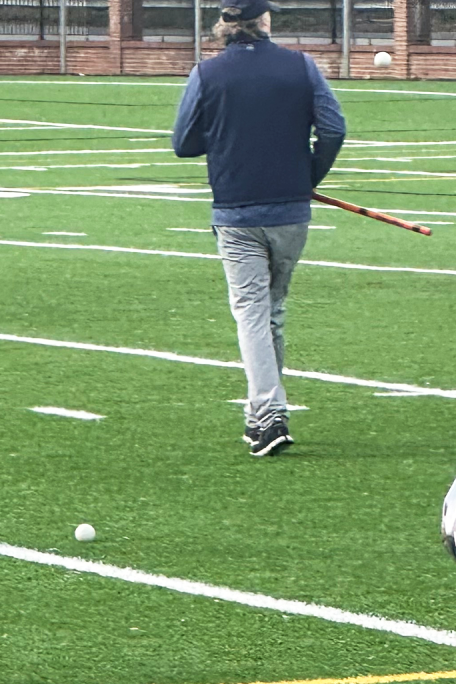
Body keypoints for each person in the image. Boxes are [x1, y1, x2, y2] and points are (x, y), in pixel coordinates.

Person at [172, 0, 346, 457]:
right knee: (271, 311)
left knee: (252, 312)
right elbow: (333, 129)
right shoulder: (301, 67)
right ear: (266, 21)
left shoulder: (207, 74)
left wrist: (230, 137)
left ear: (224, 25)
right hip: (290, 210)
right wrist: (308, 175)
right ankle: (260, 413)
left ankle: (269, 414)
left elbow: (183, 143)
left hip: (237, 210)